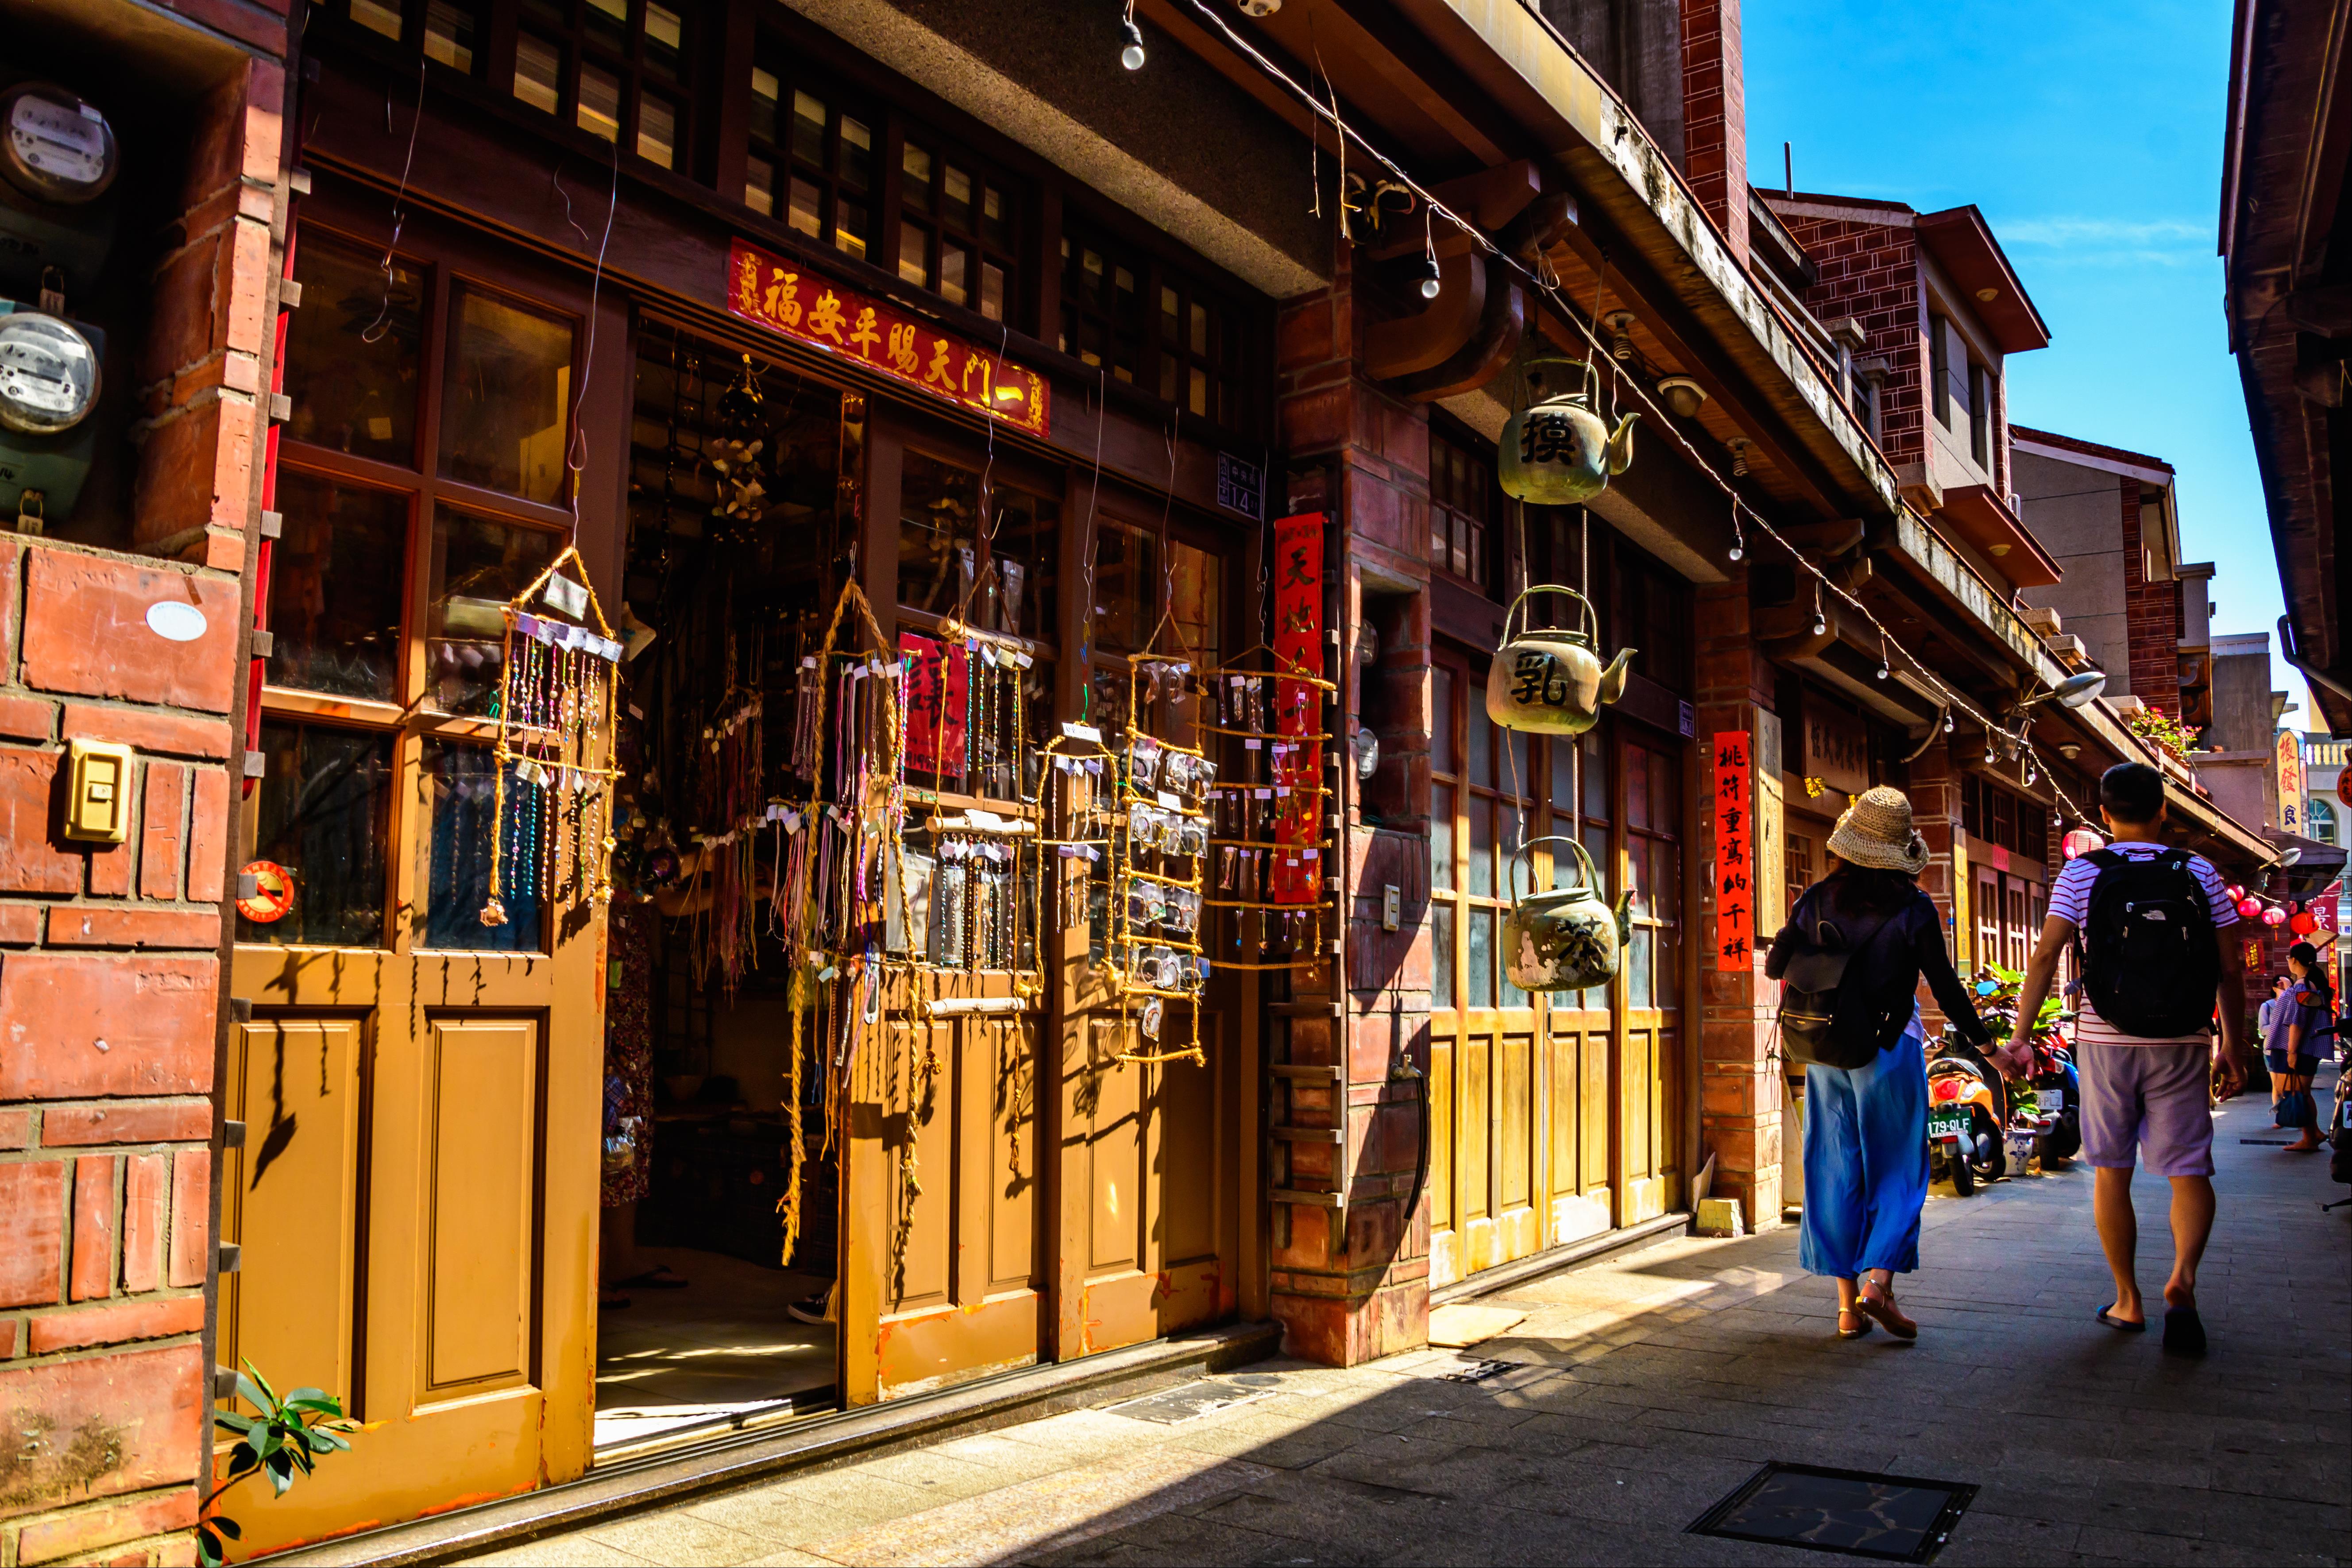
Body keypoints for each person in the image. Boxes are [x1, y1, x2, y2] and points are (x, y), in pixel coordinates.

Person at [2001, 762, 2244, 1358]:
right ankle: (2181, 1283)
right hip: (2184, 1039)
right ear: (2163, 811)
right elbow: (2230, 969)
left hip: (2104, 1039)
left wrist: (2020, 1036)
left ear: (2103, 815)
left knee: (2112, 1169)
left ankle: (2127, 1299)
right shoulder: (2199, 871)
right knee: (2188, 1167)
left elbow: (2045, 956)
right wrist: (2233, 1043)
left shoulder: (2082, 873)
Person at [1766, 786, 1992, 1343]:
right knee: (1898, 1169)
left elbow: (1776, 964)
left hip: (1825, 1052)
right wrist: (1988, 1046)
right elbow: (1945, 986)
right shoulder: (1913, 908)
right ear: (1898, 854)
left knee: (1835, 1166)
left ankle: (1847, 1309)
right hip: (1889, 1049)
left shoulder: (1816, 897)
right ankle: (1879, 1282)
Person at [2266, 941, 2331, 1153]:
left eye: (2289, 958)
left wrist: (2292, 1052)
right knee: (2302, 1092)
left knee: (2298, 1092)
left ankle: (2309, 1138)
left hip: (2299, 1049)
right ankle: (2313, 1134)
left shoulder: (2302, 986)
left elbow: (2297, 1021)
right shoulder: (2308, 985)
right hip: (2305, 1049)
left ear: (2294, 960)